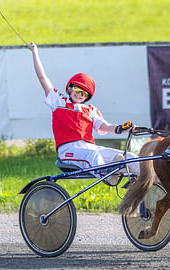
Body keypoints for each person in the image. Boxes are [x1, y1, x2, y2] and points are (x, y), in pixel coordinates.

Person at [28, 42, 139, 185]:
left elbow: (105, 126)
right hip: (69, 151)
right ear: (69, 88)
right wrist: (34, 52)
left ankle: (147, 183)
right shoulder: (58, 101)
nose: (81, 95)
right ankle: (109, 174)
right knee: (92, 156)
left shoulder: (91, 110)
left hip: (91, 148)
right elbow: (42, 77)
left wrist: (121, 128)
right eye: (78, 90)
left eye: (85, 93)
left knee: (130, 158)